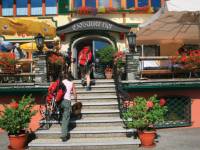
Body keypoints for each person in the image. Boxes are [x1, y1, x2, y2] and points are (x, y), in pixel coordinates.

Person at [60, 73, 77, 142]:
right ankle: (64, 135)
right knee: (66, 118)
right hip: (67, 101)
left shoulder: (60, 83)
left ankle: (63, 128)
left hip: (59, 101)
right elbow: (74, 93)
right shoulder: (71, 83)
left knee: (63, 115)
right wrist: (75, 100)